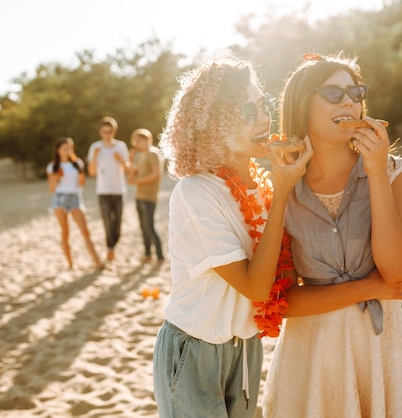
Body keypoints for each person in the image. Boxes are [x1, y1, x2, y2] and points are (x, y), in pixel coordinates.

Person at [262, 53, 402, 417]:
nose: (350, 103)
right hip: (309, 358)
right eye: (333, 93)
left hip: (379, 352)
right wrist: (368, 289)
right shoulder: (284, 188)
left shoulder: (394, 173)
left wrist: (374, 174)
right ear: (301, 105)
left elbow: (394, 271)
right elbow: (284, 301)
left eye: (356, 93)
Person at [152, 57, 314, 418]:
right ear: (214, 126)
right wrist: (285, 189)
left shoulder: (264, 187)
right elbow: (256, 287)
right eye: (245, 110)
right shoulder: (195, 193)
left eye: (262, 105)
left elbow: (283, 281)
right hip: (194, 350)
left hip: (246, 348)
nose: (262, 117)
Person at [47, 137, 103, 270]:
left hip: (75, 197)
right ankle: (70, 262)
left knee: (85, 230)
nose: (67, 150)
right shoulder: (52, 166)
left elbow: (81, 184)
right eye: (64, 148)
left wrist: (80, 175)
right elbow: (51, 188)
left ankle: (97, 261)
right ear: (58, 150)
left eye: (69, 148)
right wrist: (57, 177)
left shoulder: (77, 163)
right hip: (60, 198)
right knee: (65, 231)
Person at [87, 116, 130, 263]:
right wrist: (94, 157)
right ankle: (110, 249)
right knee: (107, 222)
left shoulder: (120, 146)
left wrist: (121, 160)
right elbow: (91, 172)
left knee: (117, 224)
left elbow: (126, 169)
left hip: (118, 190)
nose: (107, 134)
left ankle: (113, 245)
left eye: (109, 131)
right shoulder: (95, 147)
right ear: (100, 132)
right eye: (104, 131)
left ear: (114, 132)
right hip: (103, 191)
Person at [127, 128, 165, 263]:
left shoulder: (153, 154)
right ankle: (148, 254)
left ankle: (160, 256)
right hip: (139, 195)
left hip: (149, 196)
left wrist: (137, 181)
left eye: (139, 140)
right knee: (143, 226)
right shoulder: (141, 155)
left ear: (146, 139)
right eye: (135, 141)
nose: (137, 143)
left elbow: (156, 175)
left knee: (149, 225)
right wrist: (131, 160)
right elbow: (131, 177)